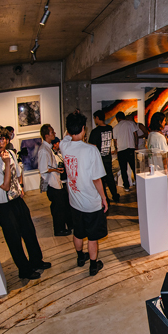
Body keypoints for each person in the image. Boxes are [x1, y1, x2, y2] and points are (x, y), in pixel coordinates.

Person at [0, 126, 49, 280]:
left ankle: (36, 261)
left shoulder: (12, 154)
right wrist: (7, 163)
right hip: (5, 206)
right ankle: (24, 270)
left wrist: (20, 187)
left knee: (29, 232)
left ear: (7, 140)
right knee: (14, 240)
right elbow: (5, 186)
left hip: (17, 201)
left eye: (2, 139)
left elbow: (18, 174)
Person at [60, 111, 109, 277]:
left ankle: (80, 257)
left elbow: (67, 136)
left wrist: (71, 124)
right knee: (92, 237)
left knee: (78, 232)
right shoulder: (91, 150)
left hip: (74, 201)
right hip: (91, 203)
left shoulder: (64, 146)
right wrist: (103, 198)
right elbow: (97, 179)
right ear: (83, 128)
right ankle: (93, 266)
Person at [38, 123, 72, 236]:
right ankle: (59, 229)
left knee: (62, 205)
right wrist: (56, 170)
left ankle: (67, 225)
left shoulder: (47, 148)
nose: (54, 133)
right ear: (47, 135)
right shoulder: (44, 150)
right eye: (52, 132)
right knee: (58, 208)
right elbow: (43, 169)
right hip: (52, 184)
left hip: (56, 182)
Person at [147, 113, 168, 228]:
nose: (165, 123)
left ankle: (157, 218)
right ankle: (164, 219)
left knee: (157, 196)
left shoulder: (151, 135)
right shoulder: (159, 137)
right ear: (160, 122)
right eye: (164, 120)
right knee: (164, 197)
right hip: (161, 170)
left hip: (153, 168)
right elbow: (165, 154)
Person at [88, 109, 120, 203]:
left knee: (101, 180)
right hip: (107, 158)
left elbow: (92, 146)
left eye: (95, 118)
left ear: (97, 118)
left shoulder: (95, 131)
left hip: (99, 159)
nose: (95, 120)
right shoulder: (110, 128)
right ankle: (115, 195)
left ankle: (105, 198)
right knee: (110, 178)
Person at [113, 111, 142, 191]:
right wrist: (136, 145)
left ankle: (126, 186)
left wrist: (116, 148)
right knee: (134, 168)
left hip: (121, 150)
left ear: (117, 119)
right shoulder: (130, 123)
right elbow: (135, 134)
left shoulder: (115, 127)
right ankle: (138, 184)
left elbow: (115, 141)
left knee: (123, 169)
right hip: (131, 148)